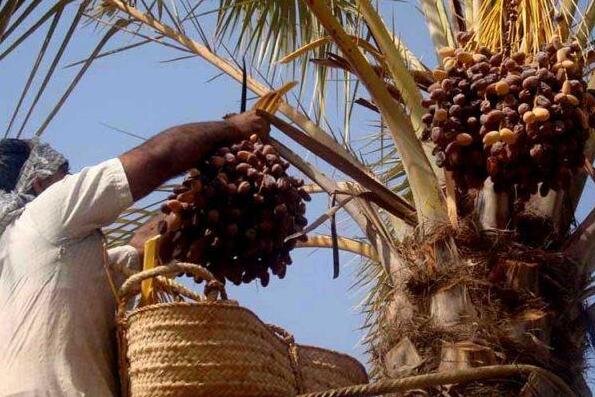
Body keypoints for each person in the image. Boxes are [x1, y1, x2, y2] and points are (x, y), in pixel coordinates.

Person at [0, 111, 270, 396]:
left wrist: (199, 193)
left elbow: (142, 250)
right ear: (39, 180)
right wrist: (233, 130)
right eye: (62, 172)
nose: (68, 178)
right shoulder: (44, 214)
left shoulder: (27, 257)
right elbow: (158, 157)